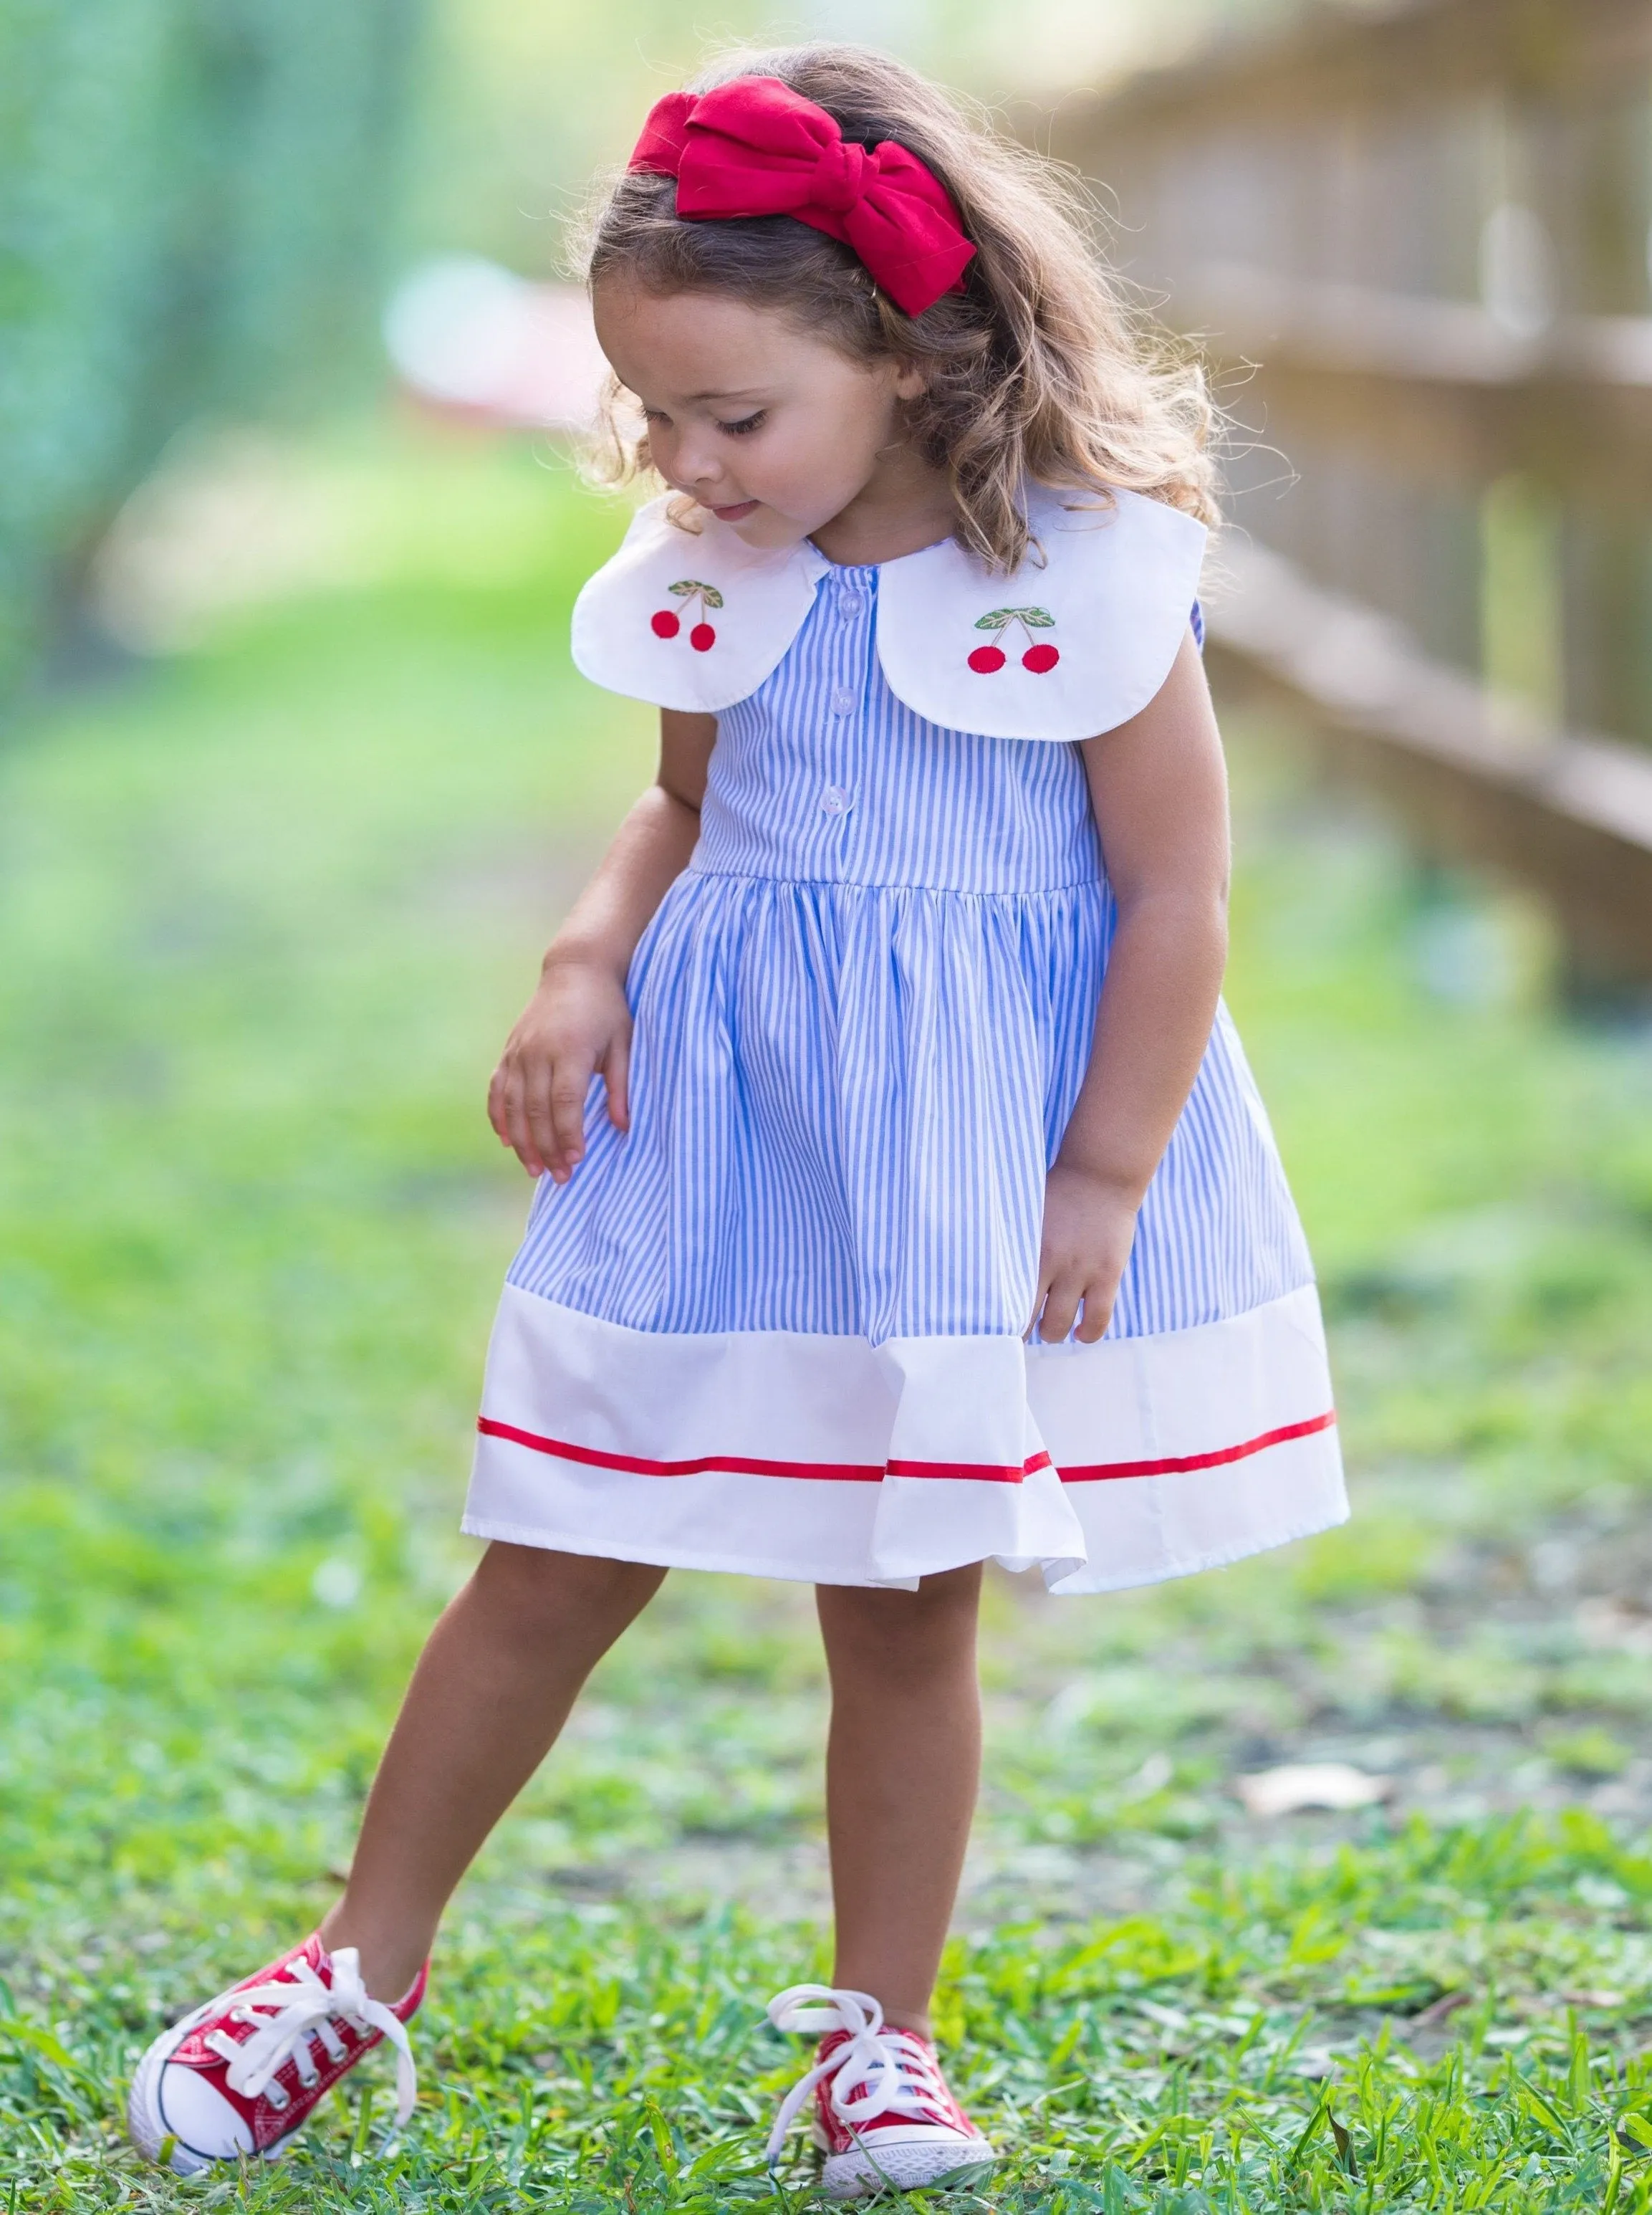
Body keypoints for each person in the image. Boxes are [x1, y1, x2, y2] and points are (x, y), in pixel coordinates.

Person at [128, 45, 1348, 2198]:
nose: (687, 461)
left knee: (904, 1604)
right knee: (557, 1544)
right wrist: (586, 962)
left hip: (958, 1171)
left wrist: (1104, 1172)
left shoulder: (1091, 579)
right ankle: (355, 1965)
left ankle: (887, 2041)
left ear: (906, 345)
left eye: (733, 414)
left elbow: (1178, 896)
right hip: (728, 1140)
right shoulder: (721, 564)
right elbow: (679, 814)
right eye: (653, 416)